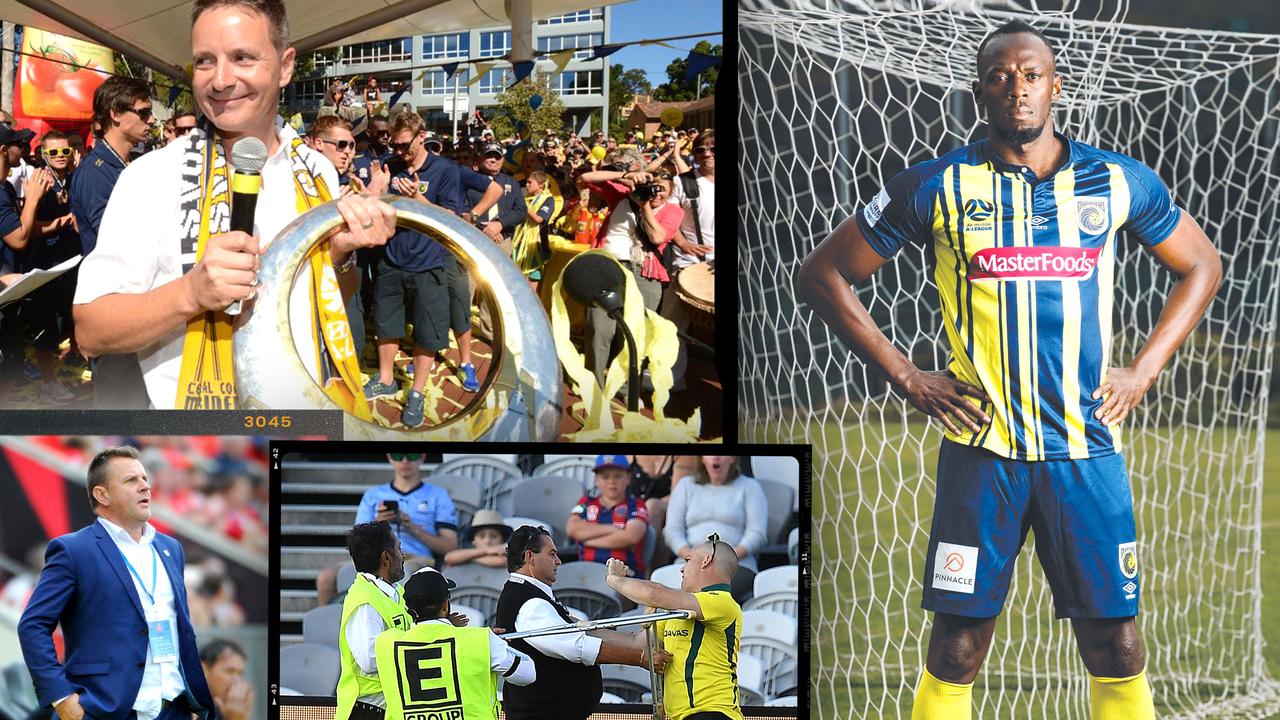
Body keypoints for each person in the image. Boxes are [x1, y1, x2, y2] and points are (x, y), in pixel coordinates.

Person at [794, 20, 1224, 720]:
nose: (1017, 89)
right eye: (1000, 76)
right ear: (979, 92)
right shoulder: (935, 185)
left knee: (1115, 645)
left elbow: (1201, 263)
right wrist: (906, 374)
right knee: (958, 646)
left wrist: (1144, 369)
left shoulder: (1115, 180)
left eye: (1031, 75)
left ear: (1057, 86)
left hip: (1085, 452)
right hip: (981, 452)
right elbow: (823, 275)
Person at [73, 0, 397, 412]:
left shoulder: (317, 170)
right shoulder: (149, 177)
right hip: (199, 443)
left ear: (285, 66)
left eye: (243, 57)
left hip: (303, 411)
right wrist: (191, 293)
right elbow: (90, 330)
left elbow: (331, 292)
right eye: (205, 62)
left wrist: (343, 253)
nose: (221, 80)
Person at [18, 446, 216, 720]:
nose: (145, 486)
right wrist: (62, 698)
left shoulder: (171, 548)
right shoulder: (73, 550)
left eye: (144, 478)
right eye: (130, 480)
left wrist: (191, 700)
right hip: (106, 710)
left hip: (175, 709)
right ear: (102, 494)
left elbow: (179, 626)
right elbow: (33, 625)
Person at [494, 525, 670, 720]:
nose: (558, 561)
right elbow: (580, 647)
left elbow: (586, 633)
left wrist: (643, 617)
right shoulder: (530, 604)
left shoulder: (530, 596)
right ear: (530, 557)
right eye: (552, 554)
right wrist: (639, 658)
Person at [362, 110, 458, 427]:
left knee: (427, 332)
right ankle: (387, 377)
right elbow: (373, 203)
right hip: (391, 259)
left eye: (405, 145)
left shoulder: (445, 170)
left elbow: (452, 219)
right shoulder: (391, 164)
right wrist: (375, 189)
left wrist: (418, 198)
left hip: (428, 263)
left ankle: (416, 391)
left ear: (421, 136)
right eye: (396, 145)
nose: (400, 151)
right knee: (386, 323)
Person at [70, 76, 154, 409]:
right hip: (114, 306)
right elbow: (120, 240)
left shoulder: (121, 165)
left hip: (132, 301)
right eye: (144, 112)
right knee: (121, 408)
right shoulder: (96, 171)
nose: (151, 121)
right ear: (116, 114)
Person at [605, 535, 744, 720]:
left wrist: (614, 580)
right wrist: (578, 627)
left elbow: (654, 593)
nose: (681, 568)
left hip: (714, 713)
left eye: (687, 560)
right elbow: (637, 643)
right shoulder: (677, 609)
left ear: (706, 561)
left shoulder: (723, 602)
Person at [375, 567, 535, 720]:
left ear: (408, 609)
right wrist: (494, 643)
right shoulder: (480, 640)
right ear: (445, 605)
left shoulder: (385, 643)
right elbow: (528, 674)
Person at [578, 160, 684, 385]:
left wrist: (644, 205)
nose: (655, 193)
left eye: (662, 189)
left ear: (671, 191)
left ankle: (626, 386)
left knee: (635, 332)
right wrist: (626, 175)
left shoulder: (673, 211)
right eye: (652, 185)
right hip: (607, 265)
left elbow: (657, 237)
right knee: (599, 327)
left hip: (644, 272)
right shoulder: (622, 196)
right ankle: (593, 383)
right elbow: (586, 177)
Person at [315, 452, 459, 605]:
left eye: (411, 456)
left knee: (407, 573)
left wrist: (413, 528)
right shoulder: (372, 495)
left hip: (417, 557)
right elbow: (355, 540)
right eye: (398, 456)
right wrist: (378, 524)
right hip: (374, 557)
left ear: (422, 457)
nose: (405, 461)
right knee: (325, 578)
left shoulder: (438, 495)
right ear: (389, 457)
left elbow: (450, 546)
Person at [663, 456, 767, 601]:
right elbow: (672, 531)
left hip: (737, 564)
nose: (716, 457)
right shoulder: (685, 485)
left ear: (732, 459)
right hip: (688, 561)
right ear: (702, 459)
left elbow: (757, 534)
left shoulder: (750, 487)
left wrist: (724, 559)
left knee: (709, 596)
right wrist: (693, 558)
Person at [337, 521, 412, 720]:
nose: (403, 556)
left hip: (387, 708)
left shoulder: (396, 593)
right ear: (386, 558)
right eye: (399, 548)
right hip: (366, 711)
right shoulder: (364, 601)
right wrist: (414, 647)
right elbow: (369, 659)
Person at [28, 130, 82, 404]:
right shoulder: (39, 181)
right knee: (47, 323)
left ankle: (72, 354)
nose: (61, 156)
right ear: (42, 155)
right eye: (53, 153)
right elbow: (26, 229)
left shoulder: (71, 178)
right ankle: (49, 382)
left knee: (69, 315)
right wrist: (62, 222)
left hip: (71, 261)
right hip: (45, 265)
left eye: (66, 151)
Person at [663, 129, 715, 390]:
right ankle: (669, 381)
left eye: (713, 148)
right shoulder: (683, 182)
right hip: (686, 262)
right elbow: (670, 220)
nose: (707, 154)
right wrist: (684, 243)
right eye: (700, 149)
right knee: (673, 323)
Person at [566, 454, 649, 578]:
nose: (612, 481)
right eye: (605, 477)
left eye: (618, 476)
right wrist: (613, 529)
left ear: (628, 478)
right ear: (597, 480)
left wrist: (586, 540)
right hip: (587, 571)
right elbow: (572, 529)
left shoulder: (637, 505)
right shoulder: (586, 502)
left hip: (625, 574)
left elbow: (630, 537)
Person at [510, 170, 556, 292]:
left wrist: (523, 206)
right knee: (514, 274)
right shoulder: (526, 198)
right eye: (526, 182)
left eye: (530, 182)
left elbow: (539, 219)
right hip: (518, 240)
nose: (527, 185)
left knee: (532, 276)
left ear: (541, 185)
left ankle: (529, 306)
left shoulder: (548, 200)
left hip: (535, 244)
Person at [199, 639, 254, 720]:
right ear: (203, 669)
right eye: (230, 671)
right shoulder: (184, 706)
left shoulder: (223, 709)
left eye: (240, 673)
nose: (237, 681)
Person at [443, 508, 512, 568]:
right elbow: (449, 558)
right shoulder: (467, 554)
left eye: (494, 536)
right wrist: (486, 551)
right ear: (473, 540)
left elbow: (502, 561)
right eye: (481, 536)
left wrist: (467, 558)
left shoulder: (507, 556)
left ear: (502, 539)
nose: (487, 541)